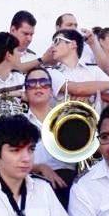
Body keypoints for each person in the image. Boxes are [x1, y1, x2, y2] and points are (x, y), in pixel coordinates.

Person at [23, 67, 75, 207]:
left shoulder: (67, 119)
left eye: (44, 82)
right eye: (32, 83)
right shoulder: (18, 122)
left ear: (51, 91)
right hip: (32, 181)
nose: (38, 86)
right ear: (25, 93)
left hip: (68, 181)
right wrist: (39, 167)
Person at [48, 29, 109, 109]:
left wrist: (93, 95)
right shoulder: (51, 71)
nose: (52, 47)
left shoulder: (94, 70)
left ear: (73, 44)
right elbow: (79, 89)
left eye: (57, 41)